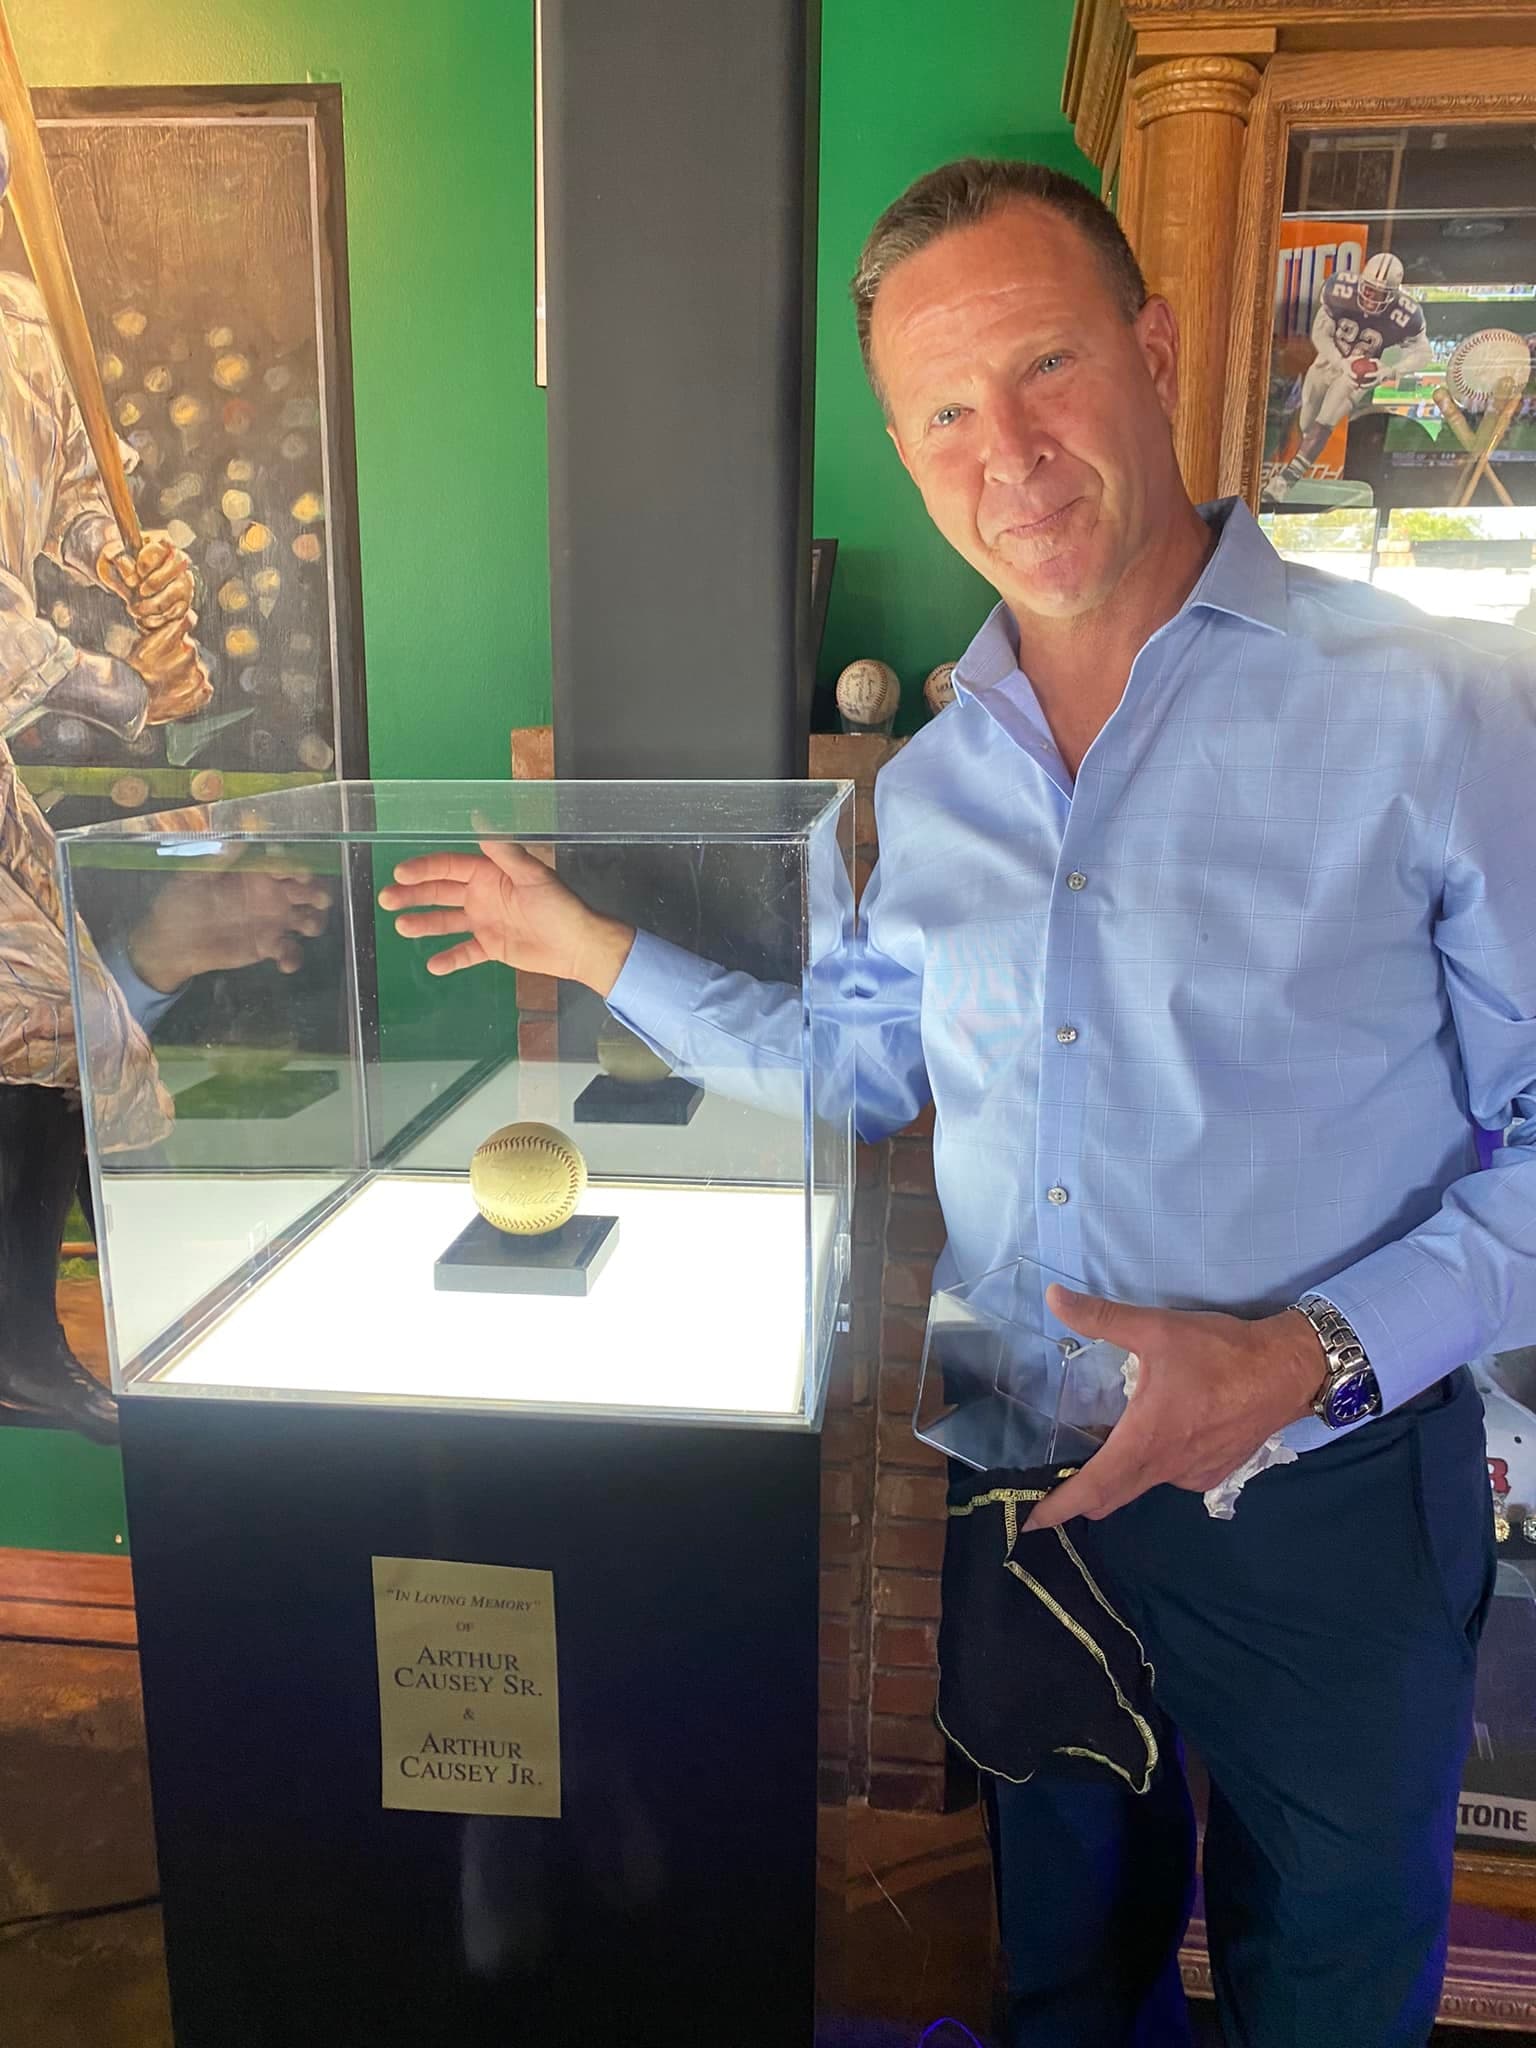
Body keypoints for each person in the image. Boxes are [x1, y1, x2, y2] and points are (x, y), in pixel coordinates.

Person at [380, 159, 1535, 2046]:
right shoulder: (927, 790)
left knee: (1322, 1984)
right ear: (908, 451)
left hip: (1323, 1483)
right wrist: (586, 944)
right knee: (1063, 1978)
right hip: (1031, 1473)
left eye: (1045, 365)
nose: (1003, 445)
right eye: (941, 411)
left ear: (1153, 351)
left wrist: (1309, 1349)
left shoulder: (1437, 707)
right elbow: (853, 1062)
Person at [0, 113, 328, 1442]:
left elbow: (78, 492)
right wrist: (118, 686)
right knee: (44, 1020)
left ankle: (34, 1335)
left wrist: (139, 561)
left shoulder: (24, 321)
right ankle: (25, 1344)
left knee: (76, 1030)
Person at [1263, 249, 1433, 503]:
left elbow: (1424, 354)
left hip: (1359, 374)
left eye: (1380, 293)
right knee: (1307, 417)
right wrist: (1342, 363)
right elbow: (1321, 335)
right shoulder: (1339, 290)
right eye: (1369, 289)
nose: (1371, 297)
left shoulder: (1407, 314)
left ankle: (1284, 483)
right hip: (1332, 360)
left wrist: (1388, 370)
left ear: (1394, 293)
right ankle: (1307, 455)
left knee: (1326, 419)